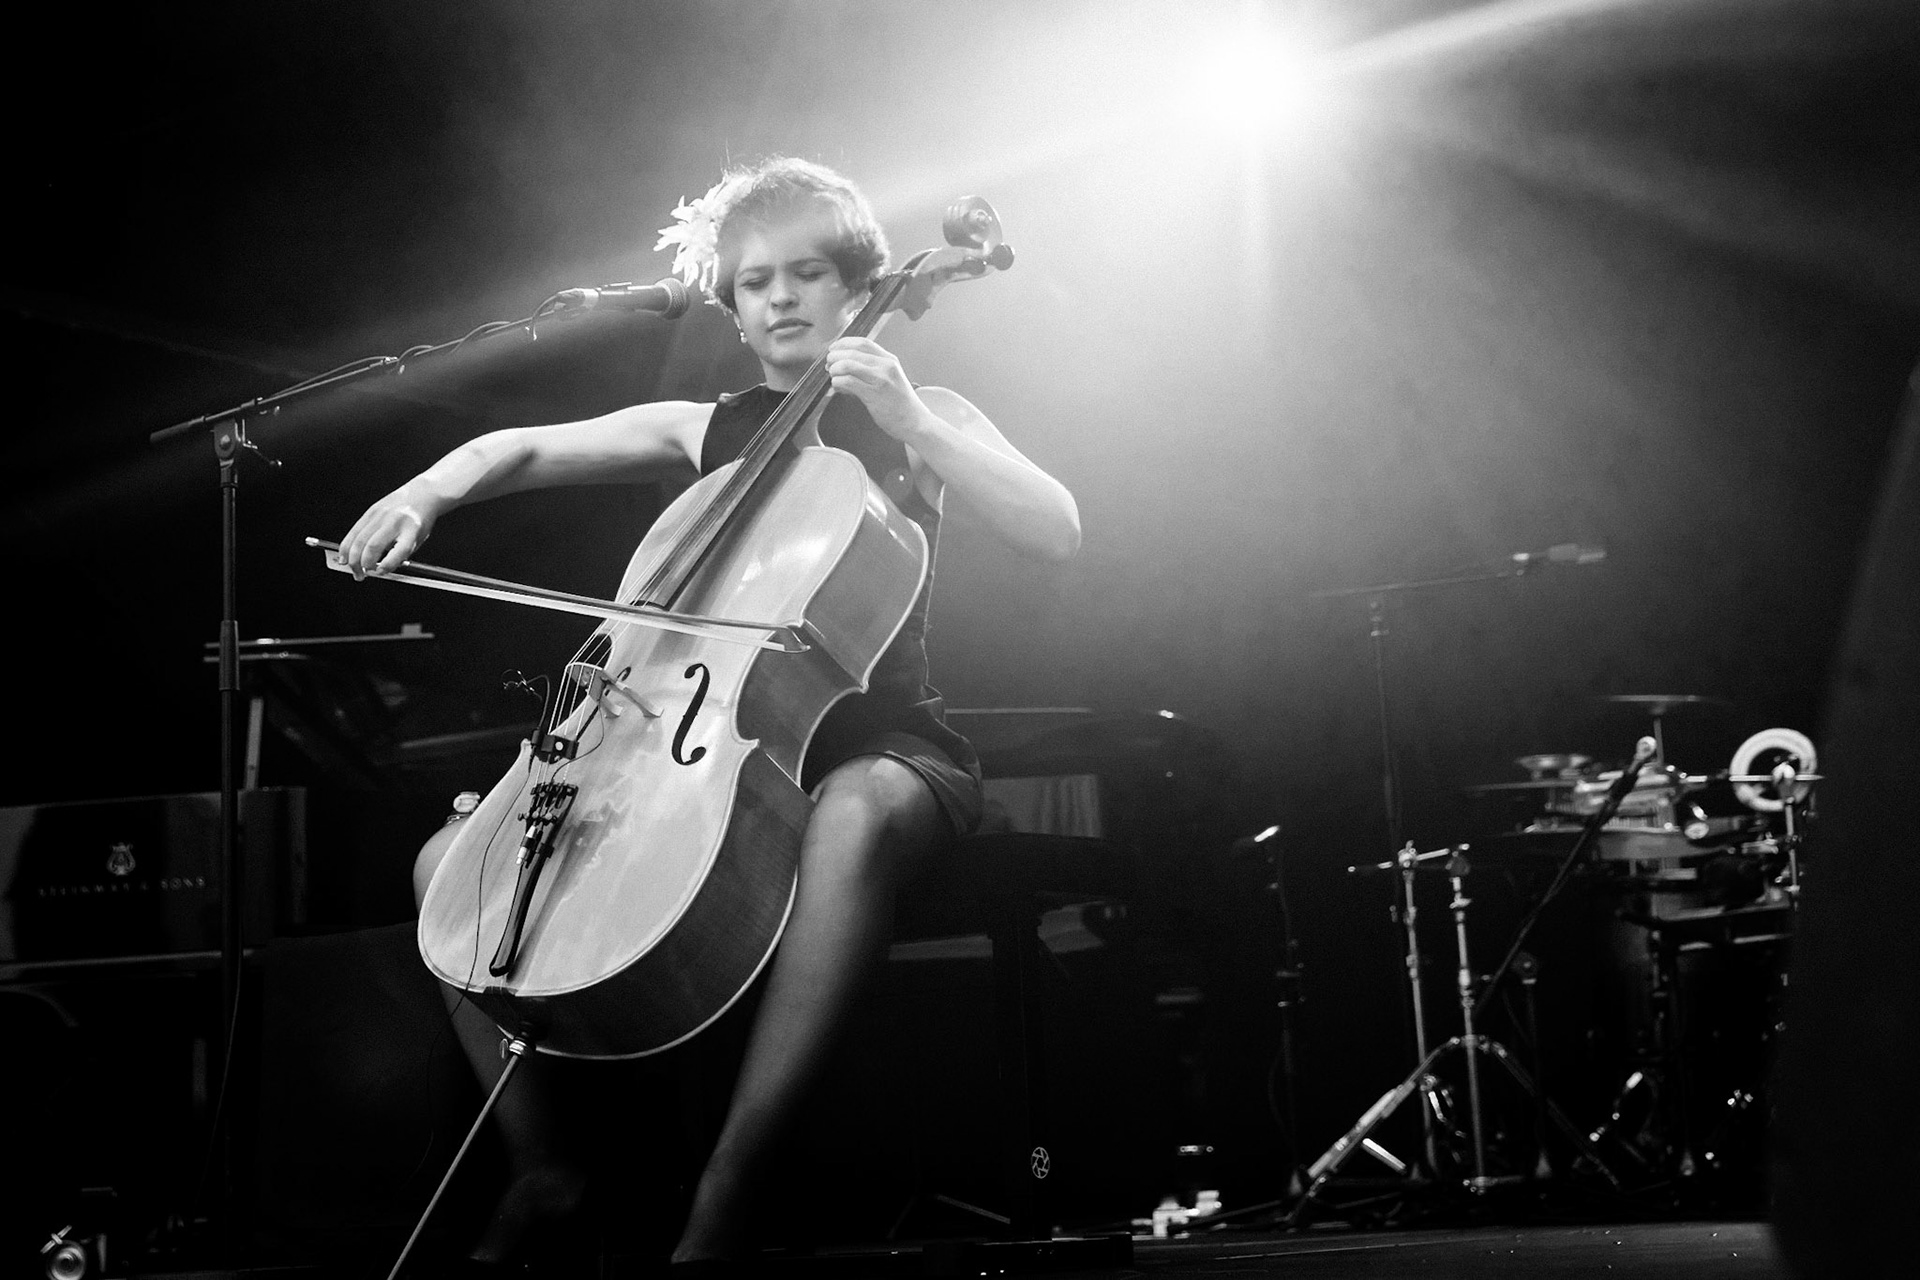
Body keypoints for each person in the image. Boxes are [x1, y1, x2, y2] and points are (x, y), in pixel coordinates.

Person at [335, 157, 1080, 1270]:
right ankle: (548, 1164)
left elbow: (1056, 526)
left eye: (808, 273)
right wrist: (420, 494)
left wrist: (914, 418)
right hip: (693, 746)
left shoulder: (919, 414)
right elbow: (521, 448)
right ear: (731, 308)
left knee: (855, 806)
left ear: (856, 285)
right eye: (754, 282)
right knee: (454, 860)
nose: (780, 298)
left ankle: (732, 1187)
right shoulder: (714, 426)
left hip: (881, 750)